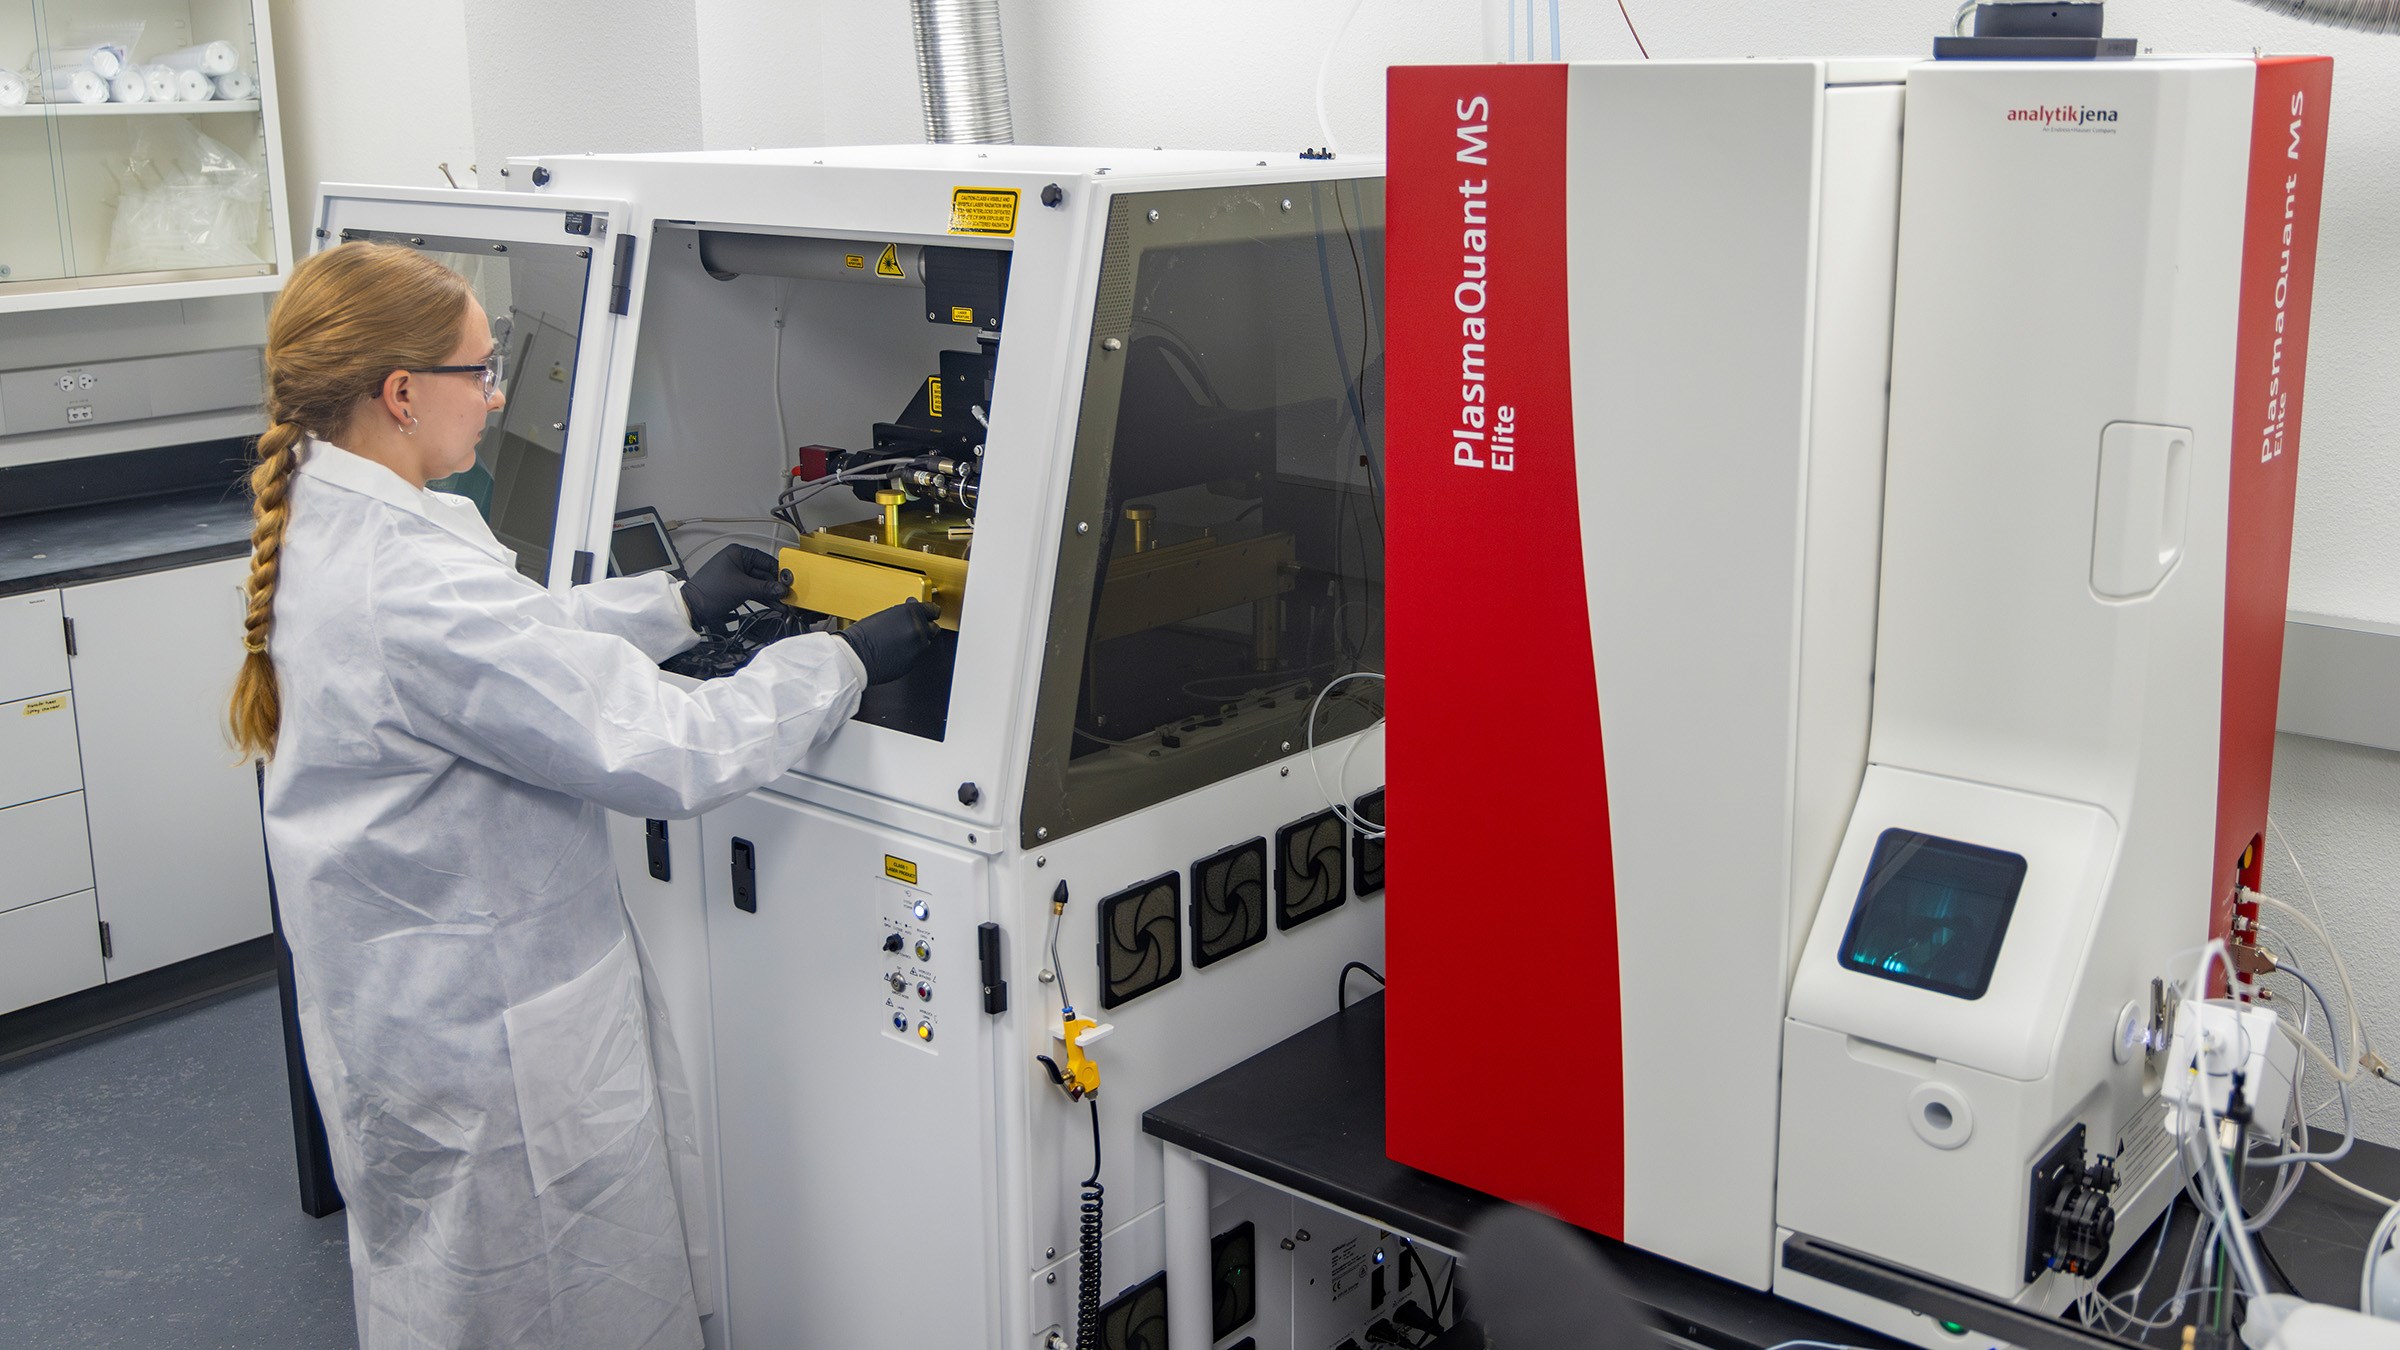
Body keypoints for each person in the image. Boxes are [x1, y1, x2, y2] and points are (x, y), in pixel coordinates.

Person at [228, 242, 937, 1349]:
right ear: (402, 393)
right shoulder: (409, 582)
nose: (499, 392)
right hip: (492, 1035)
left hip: (409, 1011)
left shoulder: (342, 522)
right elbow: (670, 750)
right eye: (481, 369)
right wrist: (839, 661)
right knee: (553, 1295)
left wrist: (672, 607)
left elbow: (512, 655)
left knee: (445, 1284)